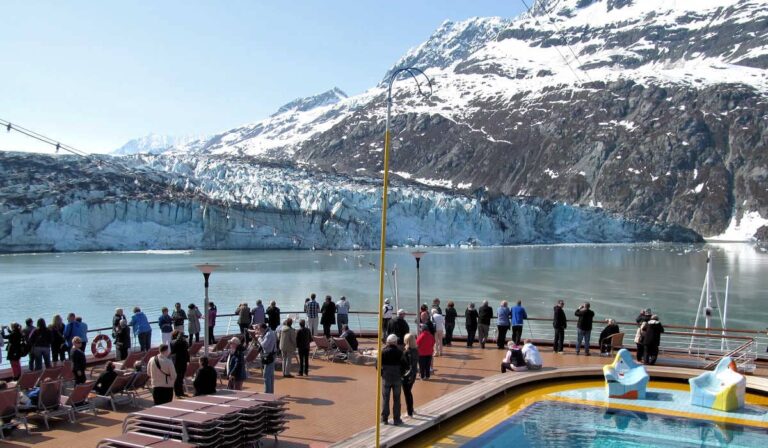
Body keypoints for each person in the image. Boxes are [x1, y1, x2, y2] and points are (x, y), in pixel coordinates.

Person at [381, 334, 405, 426]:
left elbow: (377, 365)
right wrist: (401, 374)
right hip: (397, 378)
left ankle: (384, 419)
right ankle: (397, 419)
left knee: (385, 398)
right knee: (397, 399)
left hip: (386, 378)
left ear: (387, 342)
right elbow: (405, 365)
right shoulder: (400, 352)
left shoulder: (383, 352)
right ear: (395, 342)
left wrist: (382, 374)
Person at [401, 333, 418, 418]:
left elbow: (403, 364)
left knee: (407, 393)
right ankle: (411, 409)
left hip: (407, 375)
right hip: (413, 374)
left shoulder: (406, 352)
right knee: (409, 392)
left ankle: (409, 412)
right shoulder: (415, 350)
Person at [257, 323, 277, 393]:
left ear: (262, 328)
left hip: (269, 355)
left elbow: (264, 345)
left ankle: (267, 393)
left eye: (259, 329)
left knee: (266, 375)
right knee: (270, 375)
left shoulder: (268, 334)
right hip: (272, 354)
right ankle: (270, 392)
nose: (258, 330)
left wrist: (259, 338)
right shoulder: (271, 332)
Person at [170, 330, 189, 397]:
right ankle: (177, 393)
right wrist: (179, 338)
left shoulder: (183, 341)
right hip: (177, 361)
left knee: (181, 377)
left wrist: (183, 339)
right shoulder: (173, 342)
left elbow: (187, 346)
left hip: (183, 361)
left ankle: (181, 392)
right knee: (177, 377)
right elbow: (174, 345)